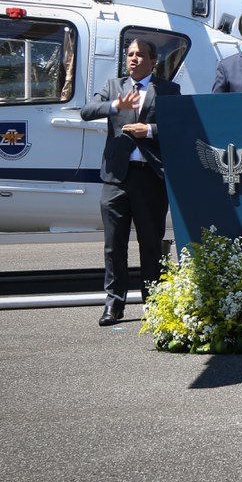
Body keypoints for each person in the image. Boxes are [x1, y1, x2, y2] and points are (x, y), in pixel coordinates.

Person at [81, 39, 181, 326]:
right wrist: (115, 106)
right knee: (114, 245)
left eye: (140, 55)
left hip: (150, 176)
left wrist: (148, 130)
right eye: (130, 55)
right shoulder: (114, 87)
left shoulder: (168, 90)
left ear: (153, 61)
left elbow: (179, 126)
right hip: (116, 177)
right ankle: (114, 305)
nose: (134, 59)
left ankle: (153, 304)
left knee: (150, 244)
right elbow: (87, 111)